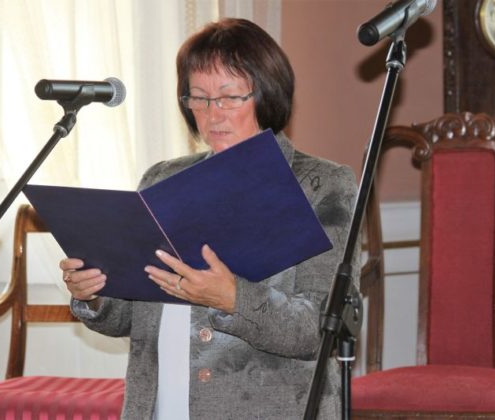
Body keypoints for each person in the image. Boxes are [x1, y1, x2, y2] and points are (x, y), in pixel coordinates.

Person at [59, 17, 358, 419]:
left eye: (229, 97)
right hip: (159, 406)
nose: (212, 114)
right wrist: (94, 292)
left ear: (266, 94)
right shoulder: (161, 178)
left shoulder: (320, 185)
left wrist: (233, 299)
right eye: (198, 98)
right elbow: (129, 316)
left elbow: (320, 328)